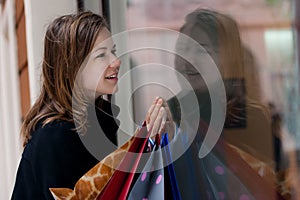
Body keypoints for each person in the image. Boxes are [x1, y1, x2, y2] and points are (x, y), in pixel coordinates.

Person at [11, 11, 171, 200]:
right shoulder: (54, 138)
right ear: (73, 66)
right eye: (101, 55)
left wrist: (153, 140)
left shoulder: (96, 124)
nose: (116, 61)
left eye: (113, 51)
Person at [168, 8, 286, 199]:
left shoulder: (249, 118)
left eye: (201, 50)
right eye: (183, 48)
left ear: (227, 58)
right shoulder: (170, 113)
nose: (187, 58)